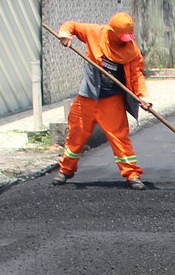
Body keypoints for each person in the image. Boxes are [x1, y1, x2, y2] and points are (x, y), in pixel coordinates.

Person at [55, 12, 153, 189]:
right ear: (113, 32)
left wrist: (143, 97)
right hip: (88, 97)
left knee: (119, 138)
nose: (125, 41)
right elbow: (72, 25)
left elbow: (137, 74)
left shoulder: (132, 51)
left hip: (112, 100)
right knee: (76, 134)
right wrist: (65, 35)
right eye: (122, 37)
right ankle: (65, 170)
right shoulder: (95, 33)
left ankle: (132, 174)